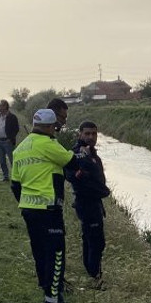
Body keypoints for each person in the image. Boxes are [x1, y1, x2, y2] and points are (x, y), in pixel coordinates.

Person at [11, 108, 75, 303]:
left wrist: (26, 201)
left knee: (39, 250)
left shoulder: (20, 148)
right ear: (50, 127)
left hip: (28, 208)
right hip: (49, 208)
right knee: (56, 253)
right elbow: (70, 161)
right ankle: (53, 299)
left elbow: (15, 184)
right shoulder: (48, 144)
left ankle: (45, 287)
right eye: (54, 127)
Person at [65, 121, 110, 288]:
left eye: (94, 134)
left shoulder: (92, 153)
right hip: (86, 203)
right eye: (87, 133)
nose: (91, 137)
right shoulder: (76, 154)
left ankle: (93, 273)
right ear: (80, 134)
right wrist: (85, 164)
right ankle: (94, 276)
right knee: (96, 241)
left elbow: (98, 179)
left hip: (94, 202)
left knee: (90, 238)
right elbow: (71, 176)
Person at [0, 99, 20, 181]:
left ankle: (16, 177)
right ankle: (5, 176)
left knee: (12, 160)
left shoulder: (12, 117)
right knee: (2, 161)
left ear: (5, 106)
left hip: (8, 142)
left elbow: (16, 129)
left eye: (1, 106)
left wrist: (10, 139)